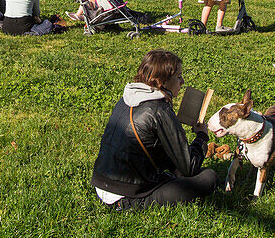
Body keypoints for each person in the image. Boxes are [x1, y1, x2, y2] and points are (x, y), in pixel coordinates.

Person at [91, 49, 216, 210]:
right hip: (128, 196)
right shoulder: (159, 110)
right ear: (160, 81)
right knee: (208, 177)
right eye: (178, 77)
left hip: (102, 185)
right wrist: (201, 137)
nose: (182, 81)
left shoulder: (127, 98)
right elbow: (190, 167)